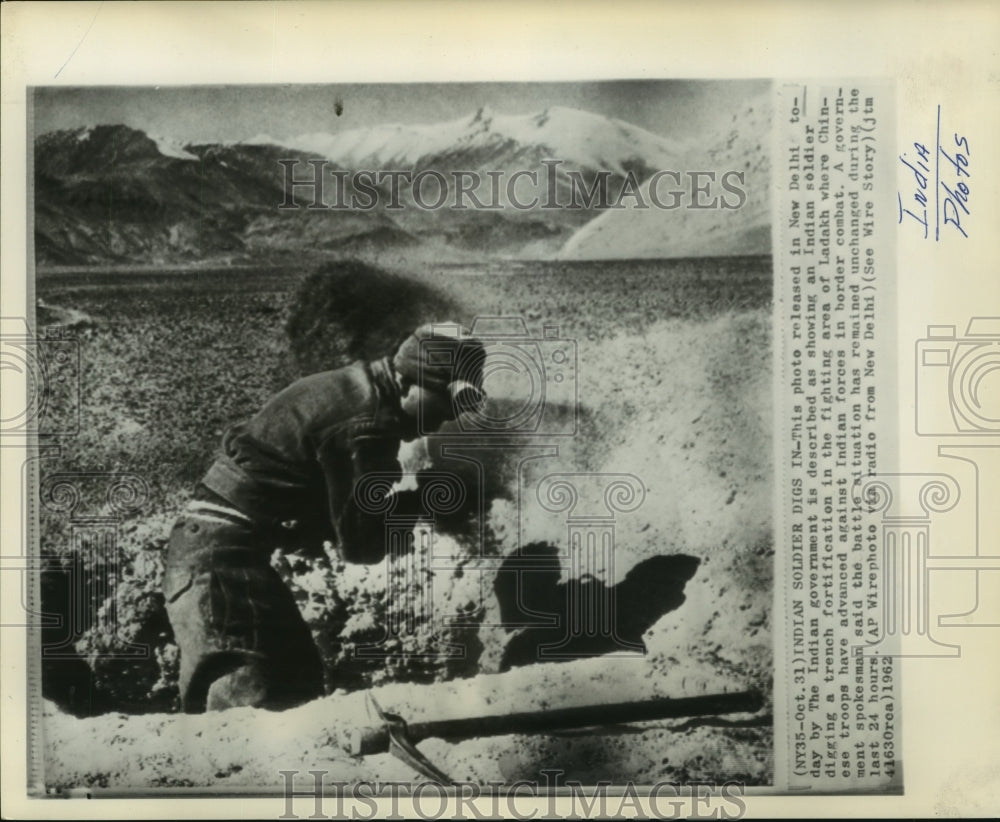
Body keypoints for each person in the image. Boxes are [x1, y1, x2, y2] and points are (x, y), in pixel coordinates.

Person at [162, 323, 486, 712]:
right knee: (247, 707)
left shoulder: (354, 388)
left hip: (223, 550)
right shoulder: (367, 426)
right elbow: (361, 545)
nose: (445, 418)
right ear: (405, 383)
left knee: (298, 685)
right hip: (217, 562)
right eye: (443, 401)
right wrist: (422, 500)